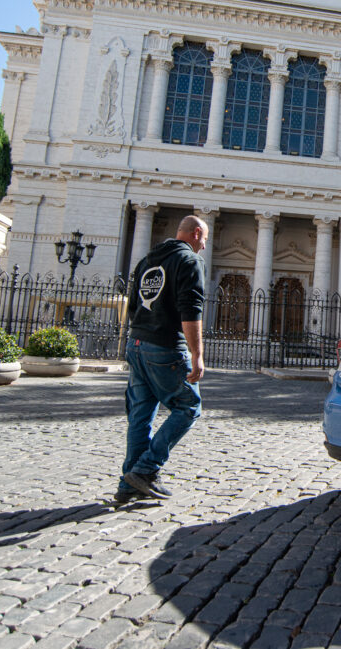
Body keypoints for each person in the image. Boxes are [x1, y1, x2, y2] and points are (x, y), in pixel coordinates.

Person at [115, 214, 208, 504]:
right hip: (165, 347)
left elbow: (132, 306)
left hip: (137, 343)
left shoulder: (146, 262)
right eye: (204, 238)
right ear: (194, 233)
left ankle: (129, 483)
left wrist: (138, 337)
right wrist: (197, 354)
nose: (204, 246)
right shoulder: (189, 261)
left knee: (140, 414)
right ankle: (145, 469)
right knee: (189, 406)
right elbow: (190, 311)